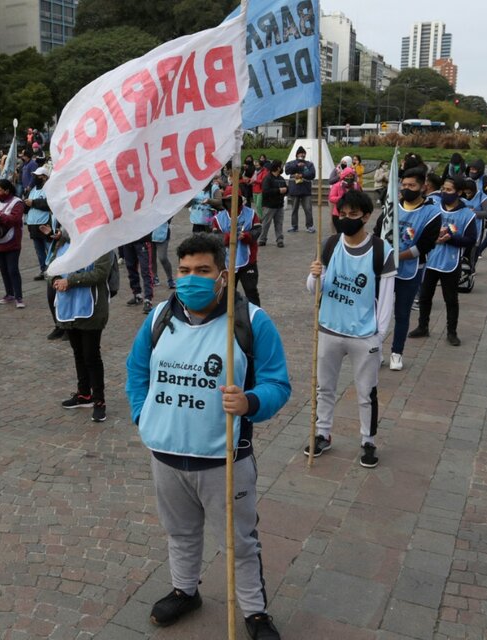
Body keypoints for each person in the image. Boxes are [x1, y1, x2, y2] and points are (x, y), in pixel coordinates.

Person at [125, 232, 290, 639]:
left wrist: (251, 401)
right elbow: (137, 370)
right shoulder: (161, 316)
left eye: (202, 271)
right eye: (184, 271)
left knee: (239, 542)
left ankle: (254, 612)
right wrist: (142, 414)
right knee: (179, 532)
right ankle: (185, 589)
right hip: (165, 454)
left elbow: (278, 383)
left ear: (222, 275)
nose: (190, 279)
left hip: (224, 460)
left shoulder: (251, 321)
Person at [305, 190, 395, 466]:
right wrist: (314, 274)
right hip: (329, 329)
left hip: (363, 335)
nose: (346, 219)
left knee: (366, 391)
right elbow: (313, 289)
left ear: (366, 217)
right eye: (342, 214)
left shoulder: (382, 250)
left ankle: (368, 440)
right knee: (324, 388)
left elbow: (387, 298)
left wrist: (378, 336)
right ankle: (322, 433)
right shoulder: (330, 245)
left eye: (353, 215)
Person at [379, 167, 441, 371]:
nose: (407, 189)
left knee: (402, 313)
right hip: (384, 269)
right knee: (378, 312)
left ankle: (397, 352)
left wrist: (398, 257)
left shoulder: (431, 213)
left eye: (411, 185)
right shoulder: (392, 206)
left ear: (423, 187)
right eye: (404, 185)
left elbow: (425, 245)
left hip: (410, 270)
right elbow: (378, 231)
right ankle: (376, 349)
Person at [409, 176, 478, 346]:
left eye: (449, 190)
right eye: (443, 189)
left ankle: (451, 332)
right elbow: (419, 230)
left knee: (451, 299)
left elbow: (470, 240)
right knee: (425, 296)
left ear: (459, 192)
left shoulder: (467, 214)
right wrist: (432, 236)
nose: (444, 193)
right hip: (430, 259)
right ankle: (422, 326)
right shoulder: (433, 208)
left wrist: (450, 238)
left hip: (450, 263)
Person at [52, 236, 113, 423]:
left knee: (91, 355)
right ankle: (84, 394)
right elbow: (53, 267)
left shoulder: (101, 243)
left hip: (91, 309)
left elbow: (100, 273)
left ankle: (99, 401)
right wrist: (55, 279)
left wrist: (70, 281)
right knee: (78, 352)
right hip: (68, 307)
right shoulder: (63, 243)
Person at [213, 186, 262, 306]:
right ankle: (227, 317)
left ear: (240, 199)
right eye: (228, 200)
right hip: (226, 263)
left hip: (248, 261)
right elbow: (215, 238)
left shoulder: (251, 214)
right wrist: (230, 237)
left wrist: (246, 236)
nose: (232, 203)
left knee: (251, 291)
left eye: (234, 199)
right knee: (227, 292)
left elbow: (257, 230)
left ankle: (254, 315)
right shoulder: (218, 218)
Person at [0, 179, 26, 308]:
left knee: (13, 269)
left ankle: (19, 296)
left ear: (7, 191)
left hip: (12, 242)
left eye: (0, 190)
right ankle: (9, 293)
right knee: (3, 270)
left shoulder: (17, 203)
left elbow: (15, 219)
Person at [24, 166, 52, 280]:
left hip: (45, 224)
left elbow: (49, 204)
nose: (35, 178)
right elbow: (26, 204)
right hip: (33, 224)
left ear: (44, 177)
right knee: (39, 251)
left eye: (37, 176)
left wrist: (34, 203)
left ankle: (52, 271)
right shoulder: (32, 190)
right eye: (34, 176)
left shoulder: (49, 189)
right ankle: (43, 270)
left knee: (49, 249)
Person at [284, 147, 316, 232]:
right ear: (297, 155)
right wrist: (296, 165)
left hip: (306, 190)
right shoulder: (291, 163)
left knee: (308, 209)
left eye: (303, 153)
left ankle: (310, 226)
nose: (302, 155)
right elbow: (287, 171)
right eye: (300, 153)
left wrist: (302, 175)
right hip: (295, 189)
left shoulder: (309, 164)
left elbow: (312, 174)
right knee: (294, 209)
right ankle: (294, 226)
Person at [123, 232, 155, 313]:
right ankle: (137, 294)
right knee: (131, 268)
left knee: (146, 270)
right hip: (128, 240)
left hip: (143, 240)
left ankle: (148, 299)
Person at [259, 160, 287, 248]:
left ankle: (279, 239)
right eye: (281, 166)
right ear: (277, 168)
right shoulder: (267, 178)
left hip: (279, 205)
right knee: (266, 223)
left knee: (279, 223)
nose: (282, 168)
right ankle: (262, 239)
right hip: (269, 205)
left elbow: (286, 188)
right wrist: (278, 190)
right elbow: (265, 191)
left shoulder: (281, 178)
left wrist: (286, 190)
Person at [150, 221, 175, 289]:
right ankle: (155, 277)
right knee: (151, 258)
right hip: (149, 234)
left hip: (162, 232)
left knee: (162, 257)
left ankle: (170, 279)